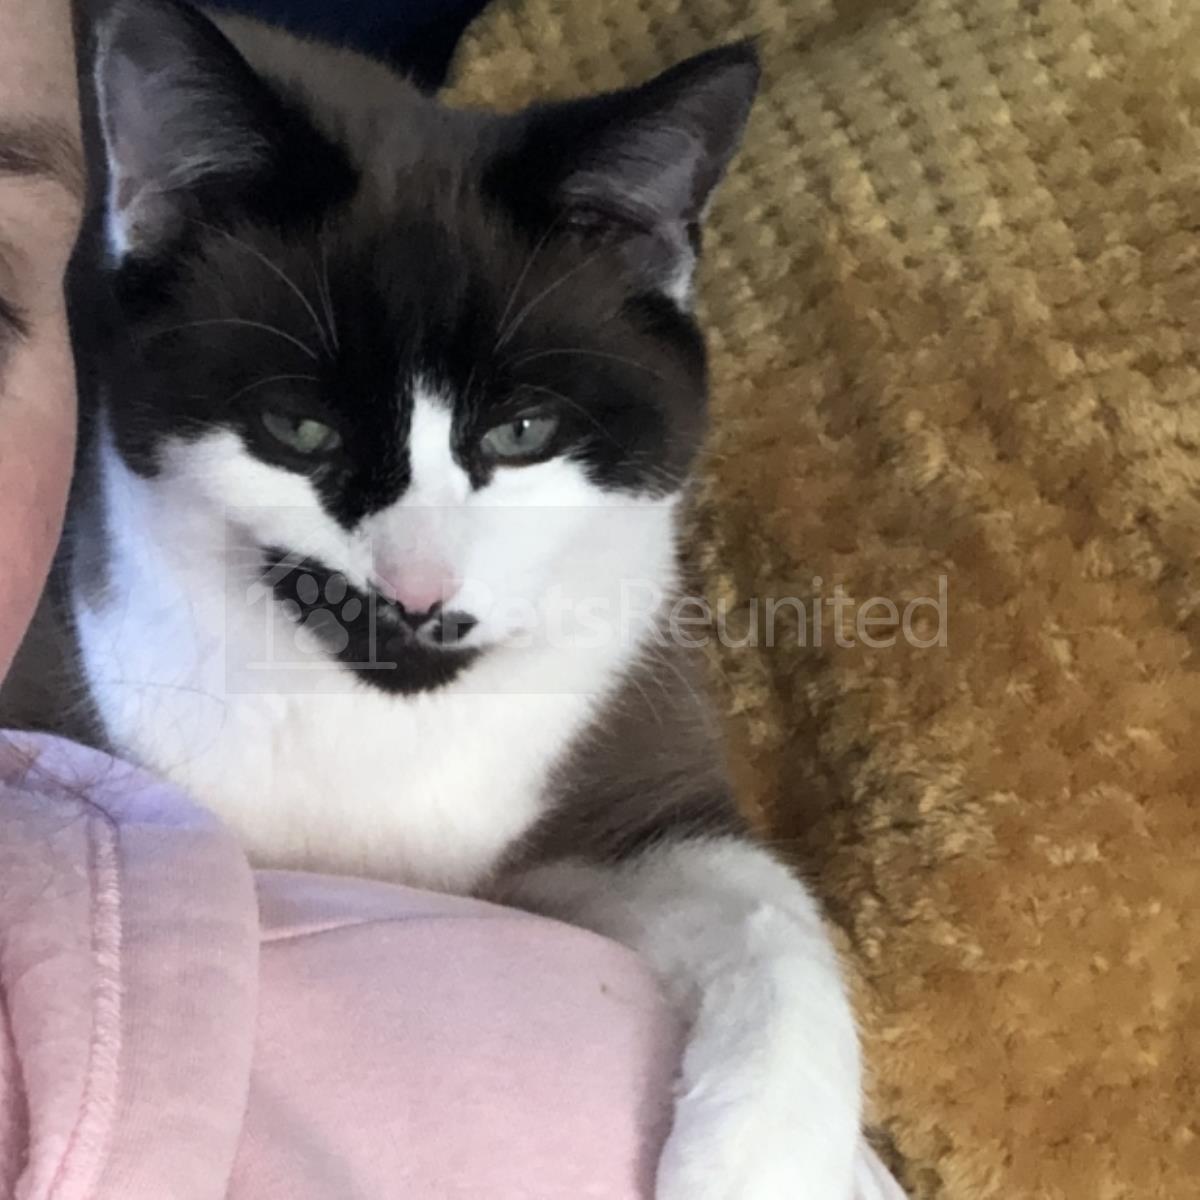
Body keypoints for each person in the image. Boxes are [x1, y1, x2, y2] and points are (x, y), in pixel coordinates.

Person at [0, 2, 904, 1196]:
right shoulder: (44, 574)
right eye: (300, 434)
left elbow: (670, 844)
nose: (419, 582)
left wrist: (773, 1014)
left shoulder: (609, 590)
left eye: (520, 440)